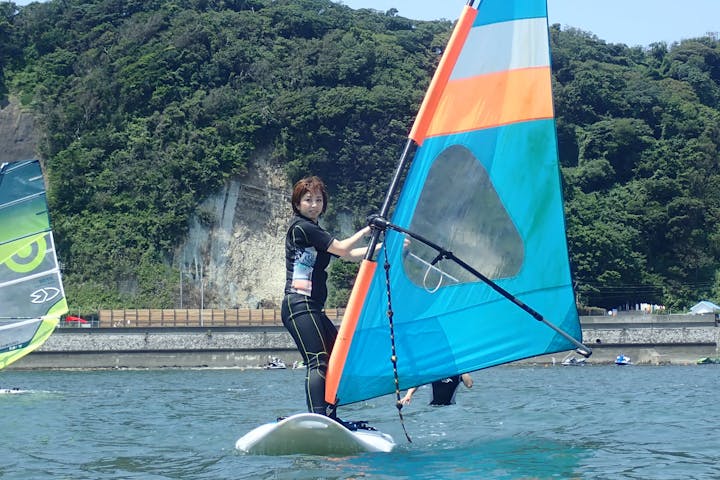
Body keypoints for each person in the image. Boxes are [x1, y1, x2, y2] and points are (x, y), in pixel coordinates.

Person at [281, 175, 376, 419]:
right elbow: (343, 248)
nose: (313, 205)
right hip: (298, 304)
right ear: (297, 203)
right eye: (308, 200)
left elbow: (348, 255)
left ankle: (330, 416)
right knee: (318, 361)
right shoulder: (302, 227)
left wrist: (387, 246)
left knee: (337, 357)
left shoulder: (316, 231)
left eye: (318, 200)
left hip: (312, 307)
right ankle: (318, 417)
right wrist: (368, 230)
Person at [399, 373, 473, 406]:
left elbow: (469, 384)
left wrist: (462, 369)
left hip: (451, 407)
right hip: (433, 407)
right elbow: (417, 383)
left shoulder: (458, 374)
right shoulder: (433, 374)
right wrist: (408, 395)